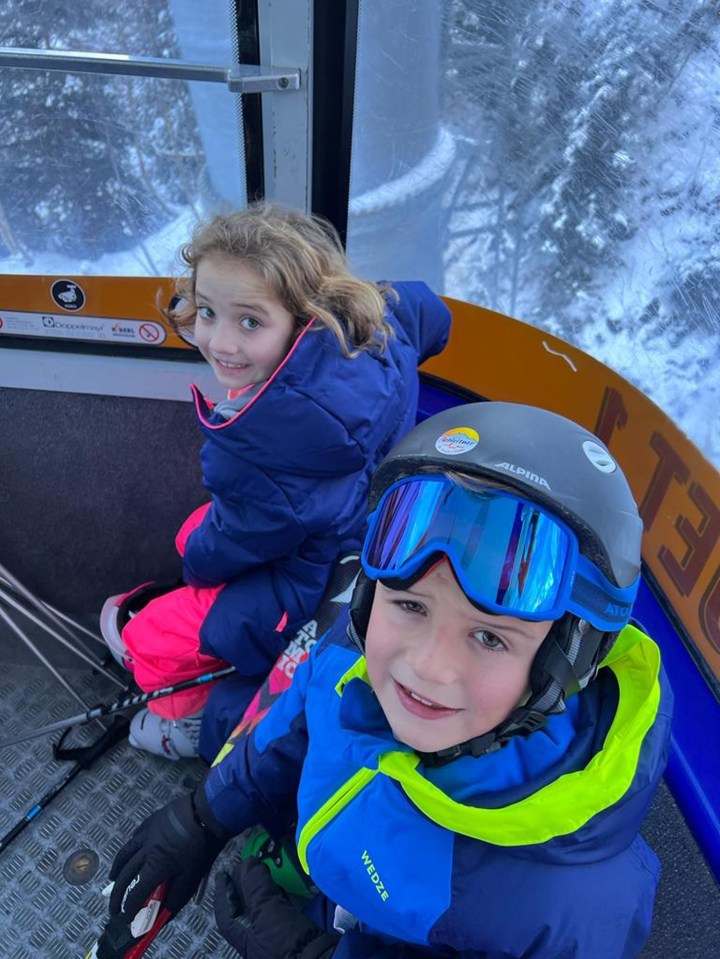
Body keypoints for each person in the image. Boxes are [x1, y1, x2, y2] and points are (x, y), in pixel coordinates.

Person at [91, 401, 673, 959]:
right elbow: (300, 715)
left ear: (562, 666)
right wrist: (207, 812)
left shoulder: (569, 907)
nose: (425, 666)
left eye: (490, 637)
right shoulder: (357, 648)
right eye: (412, 607)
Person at [99, 201, 451, 764]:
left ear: (305, 316)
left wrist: (196, 569)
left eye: (250, 321)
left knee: (156, 629)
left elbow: (231, 545)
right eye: (208, 312)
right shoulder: (379, 331)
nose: (220, 342)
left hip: (304, 584)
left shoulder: (265, 445)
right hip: (365, 524)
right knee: (195, 532)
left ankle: (181, 722)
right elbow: (432, 315)